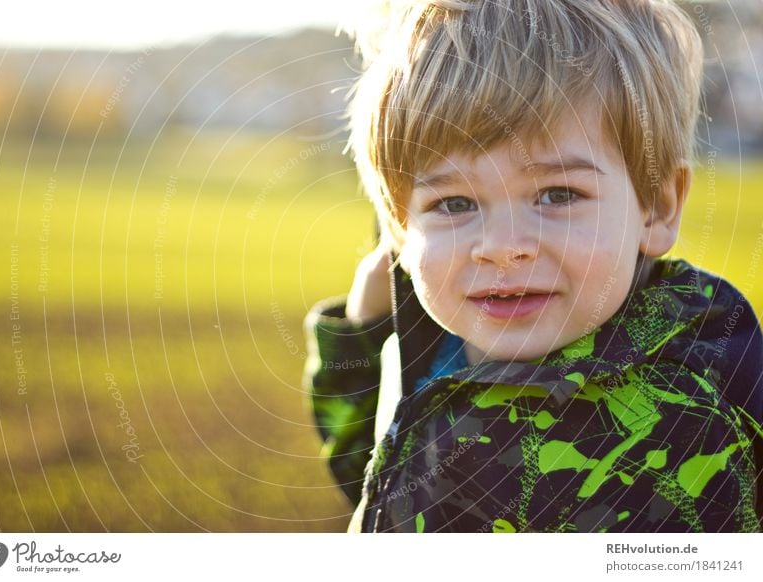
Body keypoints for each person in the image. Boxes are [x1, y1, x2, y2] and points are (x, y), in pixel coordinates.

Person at [304, 0, 763, 532]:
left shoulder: (687, 413)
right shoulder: (433, 341)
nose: (502, 247)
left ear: (657, 206)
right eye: (454, 204)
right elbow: (375, 480)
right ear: (399, 228)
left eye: (557, 194)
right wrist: (365, 341)